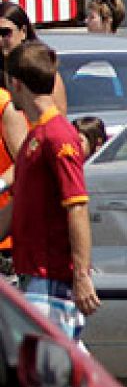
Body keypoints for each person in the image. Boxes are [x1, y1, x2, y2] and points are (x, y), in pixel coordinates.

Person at [0, 42, 95, 342]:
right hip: (33, 279)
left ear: (15, 83)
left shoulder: (57, 136)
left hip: (52, 281)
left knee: (46, 366)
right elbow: (18, 205)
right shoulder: (35, 137)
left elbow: (77, 206)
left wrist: (81, 276)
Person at [0, 1, 68, 111]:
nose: (0, 39)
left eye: (5, 33)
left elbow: (57, 116)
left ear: (23, 31)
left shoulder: (41, 70)